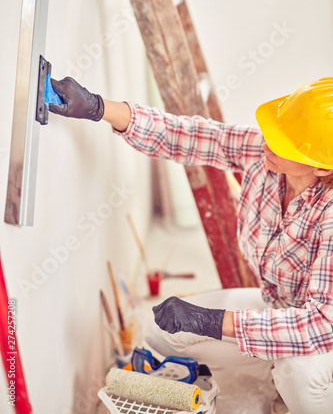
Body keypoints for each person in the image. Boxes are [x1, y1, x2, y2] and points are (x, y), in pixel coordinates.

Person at [49, 76, 333, 414]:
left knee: (299, 374)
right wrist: (98, 107)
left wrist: (211, 321)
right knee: (158, 330)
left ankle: (301, 385)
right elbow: (187, 135)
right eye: (276, 129)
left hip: (321, 335)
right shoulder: (264, 156)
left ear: (321, 166)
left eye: (284, 142)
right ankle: (274, 366)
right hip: (279, 308)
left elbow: (321, 324)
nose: (269, 143)